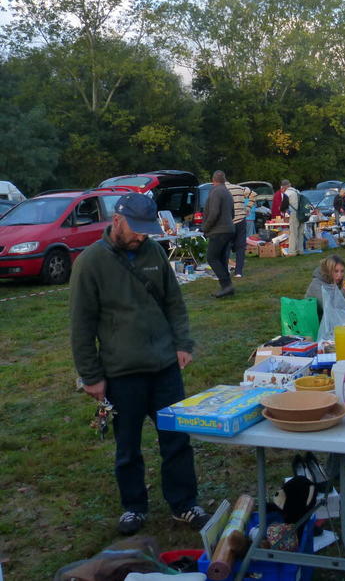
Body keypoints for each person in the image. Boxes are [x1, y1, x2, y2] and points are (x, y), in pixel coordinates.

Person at [70, 193, 210, 536]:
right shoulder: (90, 263)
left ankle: (184, 503)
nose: (142, 236)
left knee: (176, 439)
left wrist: (183, 344)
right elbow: (81, 326)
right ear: (117, 220)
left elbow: (174, 302)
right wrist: (91, 377)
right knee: (128, 446)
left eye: (148, 230)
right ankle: (133, 507)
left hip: (164, 367)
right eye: (137, 229)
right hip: (121, 373)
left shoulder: (154, 253)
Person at [203, 170, 235, 298]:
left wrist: (205, 227)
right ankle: (227, 287)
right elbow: (232, 213)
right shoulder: (227, 192)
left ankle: (226, 286)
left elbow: (214, 213)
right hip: (229, 229)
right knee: (221, 259)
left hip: (218, 230)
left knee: (212, 257)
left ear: (213, 180)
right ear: (224, 180)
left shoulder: (216, 192)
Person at [304, 254, 345, 319]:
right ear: (328, 271)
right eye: (336, 271)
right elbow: (330, 308)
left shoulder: (335, 280)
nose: (340, 275)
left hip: (327, 318)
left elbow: (340, 306)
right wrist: (344, 291)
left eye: (342, 271)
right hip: (314, 321)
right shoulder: (316, 284)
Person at [225, 179, 252, 278]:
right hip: (241, 220)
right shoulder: (239, 188)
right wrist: (248, 208)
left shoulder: (222, 190)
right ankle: (239, 272)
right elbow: (253, 194)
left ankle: (226, 270)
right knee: (240, 247)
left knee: (226, 247)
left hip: (229, 221)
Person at [280, 179, 301, 256]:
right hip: (301, 214)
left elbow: (284, 206)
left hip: (293, 214)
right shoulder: (297, 191)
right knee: (300, 233)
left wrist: (282, 210)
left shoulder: (287, 193)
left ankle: (292, 252)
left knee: (293, 233)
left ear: (284, 187)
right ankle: (300, 250)